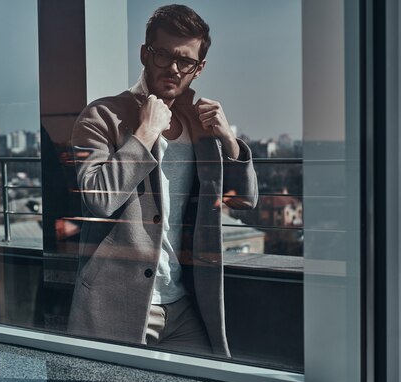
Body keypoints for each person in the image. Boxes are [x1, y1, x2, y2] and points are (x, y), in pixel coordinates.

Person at [67, 4, 258, 357]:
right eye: (162, 55)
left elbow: (244, 201)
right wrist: (143, 134)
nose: (172, 68)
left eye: (184, 61)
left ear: (198, 69)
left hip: (185, 306)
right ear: (144, 54)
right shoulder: (102, 116)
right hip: (119, 306)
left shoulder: (202, 127)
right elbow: (97, 197)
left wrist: (230, 143)